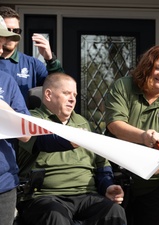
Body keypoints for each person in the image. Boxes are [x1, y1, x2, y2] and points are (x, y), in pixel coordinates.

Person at [16, 73, 127, 225]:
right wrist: (69, 140)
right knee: (55, 215)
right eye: (66, 93)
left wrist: (107, 185)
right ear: (48, 94)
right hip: (45, 196)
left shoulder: (83, 123)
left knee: (115, 212)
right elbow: (42, 142)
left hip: (87, 194)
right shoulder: (31, 121)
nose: (72, 99)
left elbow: (101, 162)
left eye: (74, 94)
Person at [105, 45, 159, 225]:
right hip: (115, 179)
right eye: (158, 67)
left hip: (153, 184)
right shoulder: (123, 86)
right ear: (147, 66)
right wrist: (144, 137)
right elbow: (114, 125)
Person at [0, 17, 31, 225]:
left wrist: (3, 107)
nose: (1, 51)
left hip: (3, 184)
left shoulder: (7, 81)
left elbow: (26, 133)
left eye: (3, 45)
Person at [0, 6, 64, 101]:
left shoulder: (32, 64)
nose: (12, 35)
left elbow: (61, 87)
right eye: (8, 30)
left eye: (16, 31)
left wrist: (51, 60)